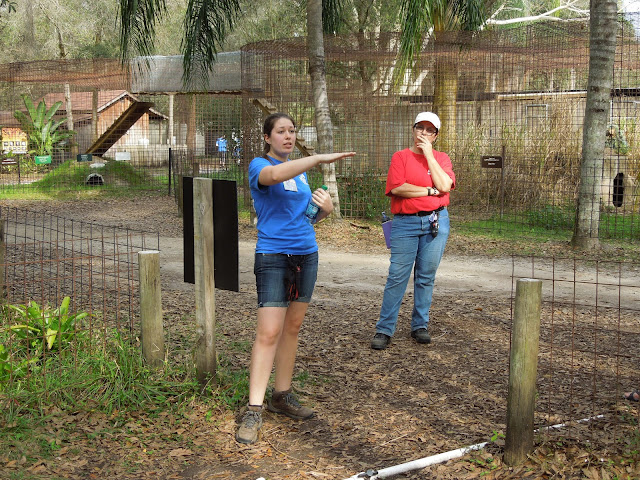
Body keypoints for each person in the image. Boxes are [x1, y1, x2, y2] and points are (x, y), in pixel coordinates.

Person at [236, 112, 356, 444]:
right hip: (273, 257)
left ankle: (281, 396)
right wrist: (315, 157)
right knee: (268, 332)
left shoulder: (301, 177)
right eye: (281, 131)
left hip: (306, 254)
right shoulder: (260, 167)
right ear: (267, 137)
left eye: (292, 131)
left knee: (292, 327)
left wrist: (324, 210)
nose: (288, 136)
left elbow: (302, 219)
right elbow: (274, 176)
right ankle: (254, 410)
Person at [371, 112, 455, 350]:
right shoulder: (401, 156)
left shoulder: (442, 158)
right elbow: (398, 188)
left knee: (426, 276)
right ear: (413, 129)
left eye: (430, 131)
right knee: (397, 276)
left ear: (436, 136)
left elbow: (445, 185)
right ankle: (384, 329)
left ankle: (420, 325)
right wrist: (429, 191)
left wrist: (429, 155)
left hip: (435, 222)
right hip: (405, 223)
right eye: (420, 128)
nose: (424, 134)